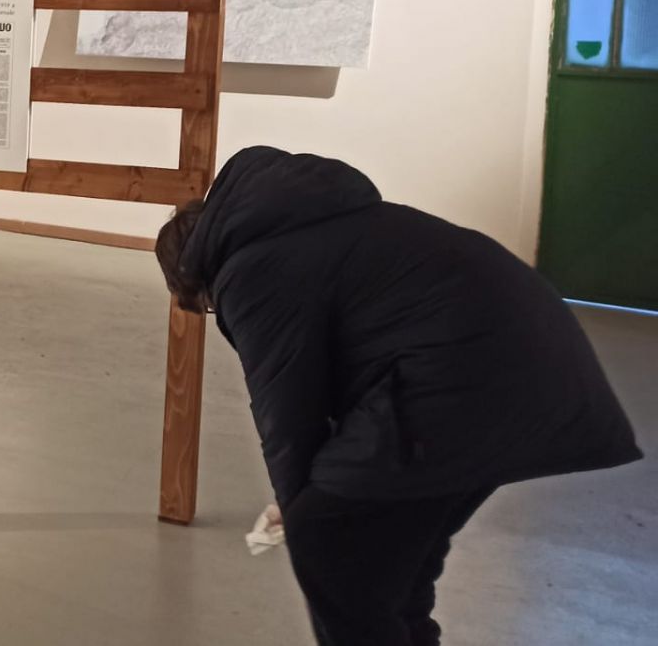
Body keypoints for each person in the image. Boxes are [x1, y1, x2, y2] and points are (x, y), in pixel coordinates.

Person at [156, 146, 641, 646]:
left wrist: (295, 505)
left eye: (206, 306)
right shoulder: (312, 219)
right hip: (527, 357)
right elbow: (351, 368)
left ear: (194, 274)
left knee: (324, 539)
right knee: (394, 569)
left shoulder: (250, 269)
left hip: (469, 373)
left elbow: (286, 409)